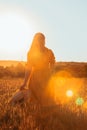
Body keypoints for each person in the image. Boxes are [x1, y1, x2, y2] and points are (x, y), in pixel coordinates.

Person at [20, 32, 56, 106]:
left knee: (47, 101)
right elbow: (28, 69)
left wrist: (51, 74)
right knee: (35, 101)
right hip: (35, 79)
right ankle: (23, 101)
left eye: (42, 39)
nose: (41, 41)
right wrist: (24, 83)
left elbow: (53, 64)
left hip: (46, 78)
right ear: (35, 41)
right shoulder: (31, 53)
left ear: (44, 40)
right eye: (39, 40)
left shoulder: (49, 51)